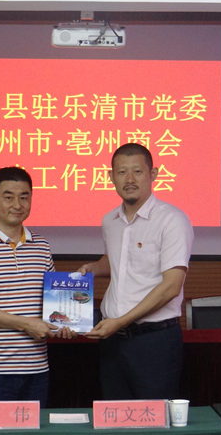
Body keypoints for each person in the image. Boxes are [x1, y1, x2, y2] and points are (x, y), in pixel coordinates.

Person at [79, 143, 194, 399]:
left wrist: (121, 321)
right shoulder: (110, 220)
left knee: (153, 418)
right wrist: (93, 269)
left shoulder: (172, 219)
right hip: (112, 341)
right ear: (111, 177)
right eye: (121, 172)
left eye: (137, 172)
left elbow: (171, 286)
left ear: (153, 174)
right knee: (114, 416)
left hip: (153, 341)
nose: (129, 179)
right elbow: (117, 261)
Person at [0, 166, 73, 405]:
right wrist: (25, 324)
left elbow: (52, 304)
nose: (17, 205)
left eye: (24, 197)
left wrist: (66, 323)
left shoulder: (42, 246)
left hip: (36, 369)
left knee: (34, 431)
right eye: (8, 197)